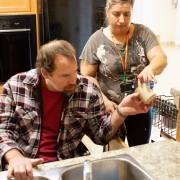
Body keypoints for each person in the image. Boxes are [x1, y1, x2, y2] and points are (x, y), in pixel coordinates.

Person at [0, 39, 152, 180]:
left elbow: (100, 135)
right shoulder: (16, 86)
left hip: (62, 167)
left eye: (75, 71)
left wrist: (121, 111)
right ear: (45, 73)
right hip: (23, 167)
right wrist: (15, 158)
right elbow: (3, 130)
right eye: (65, 75)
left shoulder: (88, 90)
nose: (74, 80)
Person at [80, 0, 167, 147]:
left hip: (140, 106)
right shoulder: (96, 40)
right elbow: (87, 75)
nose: (122, 20)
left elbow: (160, 58)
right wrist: (104, 101)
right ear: (107, 12)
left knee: (141, 150)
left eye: (127, 14)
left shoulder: (143, 33)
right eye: (116, 14)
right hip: (111, 108)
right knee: (113, 152)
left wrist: (150, 69)